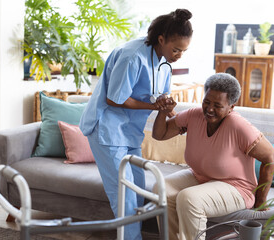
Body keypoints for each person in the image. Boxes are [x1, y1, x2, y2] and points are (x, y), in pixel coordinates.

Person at [79, 9, 193, 240]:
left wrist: (171, 109)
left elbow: (160, 101)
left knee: (139, 191)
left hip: (131, 133)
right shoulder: (132, 56)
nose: (179, 55)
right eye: (176, 49)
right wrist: (154, 107)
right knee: (125, 197)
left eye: (184, 50)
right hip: (108, 131)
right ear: (161, 39)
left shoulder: (165, 65)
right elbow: (114, 98)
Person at [152, 72, 274, 240]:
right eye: (207, 102)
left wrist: (261, 202)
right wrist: (162, 112)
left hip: (237, 187)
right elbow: (160, 134)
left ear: (231, 107)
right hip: (201, 177)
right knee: (161, 187)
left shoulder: (238, 126)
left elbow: (269, 156)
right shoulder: (194, 116)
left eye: (217, 105)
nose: (209, 109)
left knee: (189, 198)